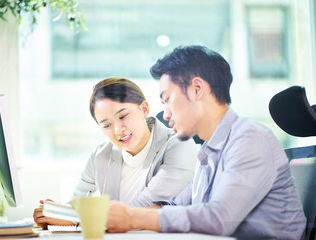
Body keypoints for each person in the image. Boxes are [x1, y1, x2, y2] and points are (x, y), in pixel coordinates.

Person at [106, 46, 306, 239]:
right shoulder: (209, 151)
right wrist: (112, 216)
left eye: (167, 99)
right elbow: (173, 209)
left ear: (197, 89)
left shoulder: (250, 138)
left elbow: (219, 219)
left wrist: (132, 217)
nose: (165, 115)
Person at [33, 77, 198, 229]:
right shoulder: (101, 155)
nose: (118, 130)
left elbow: (149, 207)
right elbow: (75, 204)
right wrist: (53, 212)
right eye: (106, 125)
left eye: (123, 116)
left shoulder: (179, 145)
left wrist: (73, 216)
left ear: (144, 109)